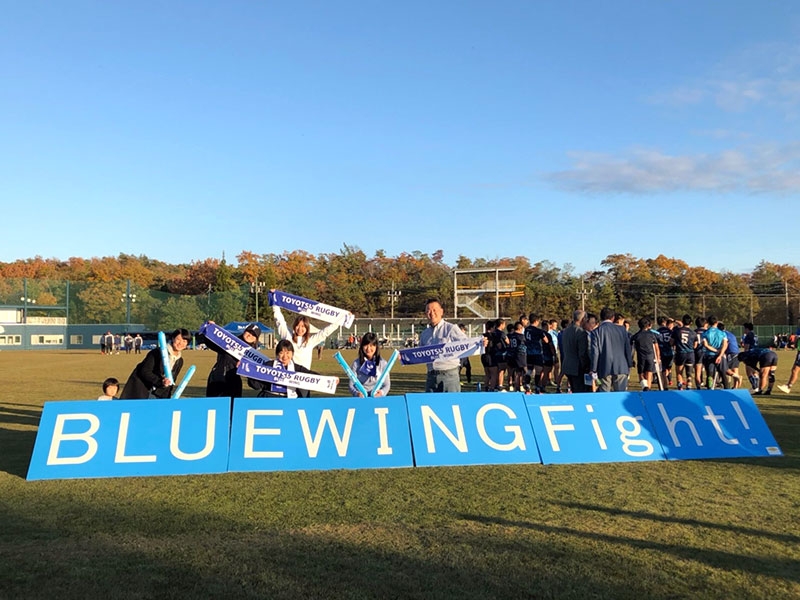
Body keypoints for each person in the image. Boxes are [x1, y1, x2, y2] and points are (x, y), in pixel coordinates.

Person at [272, 290, 350, 370]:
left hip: (305, 377)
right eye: (298, 326)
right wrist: (275, 300)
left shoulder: (310, 341)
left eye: (303, 326)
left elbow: (325, 332)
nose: (300, 329)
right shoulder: (288, 336)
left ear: (307, 328)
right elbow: (280, 321)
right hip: (289, 376)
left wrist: (343, 319)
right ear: (294, 326)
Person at [119, 329, 191, 399]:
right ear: (173, 339)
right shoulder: (157, 353)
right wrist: (160, 381)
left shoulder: (180, 361)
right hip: (143, 390)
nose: (181, 343)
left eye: (184, 341)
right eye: (178, 339)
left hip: (159, 394)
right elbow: (145, 371)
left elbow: (171, 381)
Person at [420, 298, 469, 393]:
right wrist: (405, 357)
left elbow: (467, 344)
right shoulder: (424, 334)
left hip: (449, 375)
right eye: (428, 311)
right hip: (431, 376)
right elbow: (419, 353)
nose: (431, 313)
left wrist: (480, 343)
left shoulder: (451, 328)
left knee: (451, 404)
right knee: (431, 404)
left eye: (434, 310)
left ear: (441, 311)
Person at [202, 322, 261, 398]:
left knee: (231, 407)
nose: (249, 335)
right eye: (248, 331)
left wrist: (245, 367)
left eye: (253, 335)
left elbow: (255, 381)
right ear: (244, 331)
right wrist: (210, 329)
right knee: (213, 405)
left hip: (234, 381)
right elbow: (212, 344)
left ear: (255, 340)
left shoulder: (254, 356)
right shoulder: (229, 341)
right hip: (217, 377)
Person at [247, 339, 318, 398]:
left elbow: (312, 376)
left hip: (289, 400)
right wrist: (248, 372)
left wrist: (326, 380)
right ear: (277, 354)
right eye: (281, 353)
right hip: (269, 398)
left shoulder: (297, 368)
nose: (285, 356)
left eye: (287, 353)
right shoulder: (269, 366)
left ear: (292, 354)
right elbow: (257, 385)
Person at [589, 307, 633, 392]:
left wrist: (593, 369)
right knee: (620, 394)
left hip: (604, 366)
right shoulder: (622, 330)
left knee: (604, 394)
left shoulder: (596, 332)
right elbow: (627, 348)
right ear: (613, 317)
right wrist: (629, 363)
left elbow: (595, 352)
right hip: (621, 365)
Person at [349, 332, 390, 397]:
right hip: (361, 400)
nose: (368, 349)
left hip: (377, 399)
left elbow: (387, 385)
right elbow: (351, 385)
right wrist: (357, 393)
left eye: (371, 345)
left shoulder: (383, 363)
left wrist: (381, 393)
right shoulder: (356, 364)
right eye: (366, 345)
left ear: (376, 347)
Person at [560, 310, 589, 393]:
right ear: (583, 319)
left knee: (573, 389)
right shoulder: (581, 333)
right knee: (580, 391)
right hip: (577, 367)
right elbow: (582, 353)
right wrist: (586, 366)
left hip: (567, 365)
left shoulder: (566, 331)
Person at [630, 317, 660, 391]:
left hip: (641, 358)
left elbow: (632, 349)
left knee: (641, 374)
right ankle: (648, 388)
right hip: (650, 357)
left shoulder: (636, 336)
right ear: (648, 325)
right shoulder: (652, 335)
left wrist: (631, 358)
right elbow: (656, 347)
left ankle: (645, 387)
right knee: (649, 374)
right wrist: (658, 358)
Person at [701, 315, 728, 389]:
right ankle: (727, 391)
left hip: (709, 355)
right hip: (720, 355)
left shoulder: (705, 333)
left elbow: (706, 345)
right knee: (723, 374)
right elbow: (725, 345)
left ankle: (710, 390)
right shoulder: (722, 333)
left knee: (710, 375)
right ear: (717, 322)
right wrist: (719, 354)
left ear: (708, 323)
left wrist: (715, 350)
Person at [671, 315, 697, 390]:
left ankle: (680, 385)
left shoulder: (677, 331)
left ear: (682, 321)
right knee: (689, 372)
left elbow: (671, 342)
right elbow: (695, 345)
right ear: (691, 323)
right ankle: (689, 383)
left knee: (679, 371)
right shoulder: (693, 333)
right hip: (690, 353)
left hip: (680, 353)